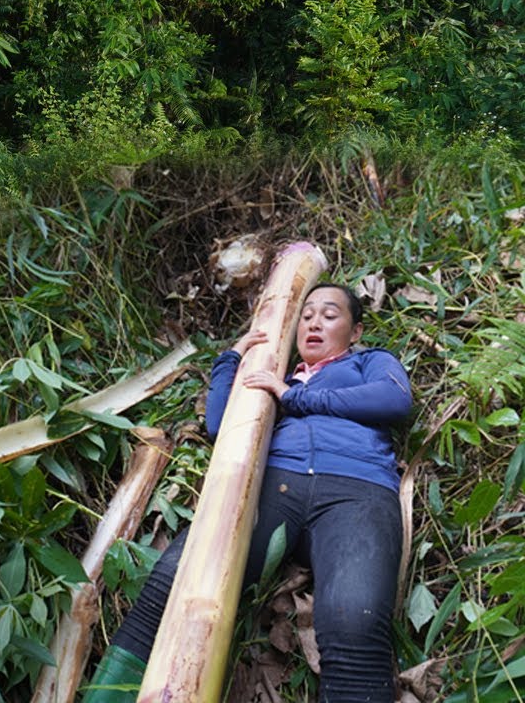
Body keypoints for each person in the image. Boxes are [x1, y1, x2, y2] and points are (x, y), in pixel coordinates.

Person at [84, 283, 412, 702]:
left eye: (330, 315)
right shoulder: (277, 375)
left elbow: (394, 399)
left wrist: (297, 397)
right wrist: (231, 360)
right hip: (273, 484)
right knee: (173, 583)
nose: (314, 323)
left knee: (355, 619)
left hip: (357, 489)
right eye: (307, 315)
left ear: (356, 331)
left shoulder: (368, 362)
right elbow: (221, 425)